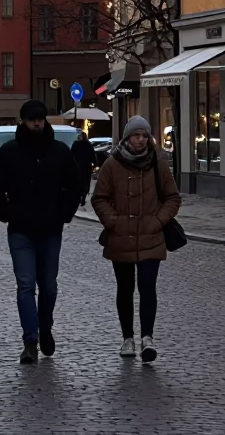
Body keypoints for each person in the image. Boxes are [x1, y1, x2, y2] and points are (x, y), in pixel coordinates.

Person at [0, 99, 81, 364]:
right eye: (32, 119)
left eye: (40, 119)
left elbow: (75, 186)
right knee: (26, 285)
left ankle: (45, 328)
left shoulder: (60, 151)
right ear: (24, 121)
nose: (37, 123)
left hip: (51, 229)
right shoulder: (10, 152)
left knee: (49, 287)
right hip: (20, 230)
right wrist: (6, 213)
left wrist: (64, 213)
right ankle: (30, 340)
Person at [92, 115, 182, 363]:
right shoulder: (112, 164)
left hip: (151, 237)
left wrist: (158, 220)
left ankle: (147, 338)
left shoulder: (158, 163)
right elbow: (99, 198)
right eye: (136, 135)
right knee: (125, 289)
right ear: (127, 137)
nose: (141, 140)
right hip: (120, 237)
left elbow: (172, 197)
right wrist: (114, 221)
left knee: (148, 288)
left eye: (144, 135)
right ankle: (127, 338)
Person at [71, 131, 98, 207]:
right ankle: (83, 196)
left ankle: (79, 196)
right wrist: (95, 164)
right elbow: (92, 155)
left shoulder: (75, 144)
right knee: (86, 182)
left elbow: (71, 154)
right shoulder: (88, 145)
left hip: (77, 167)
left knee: (78, 182)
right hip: (86, 166)